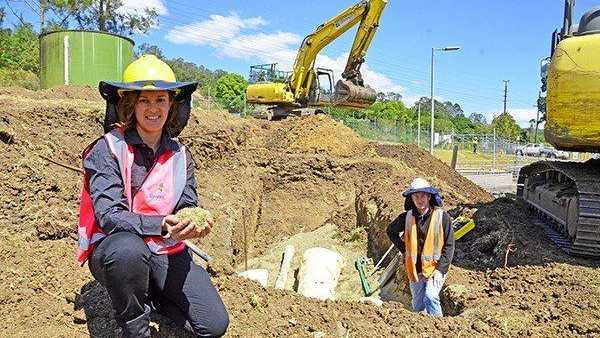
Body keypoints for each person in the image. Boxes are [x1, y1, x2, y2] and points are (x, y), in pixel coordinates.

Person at [76, 55, 229, 337]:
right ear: (130, 104)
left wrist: (190, 223)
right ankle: (135, 326)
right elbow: (109, 217)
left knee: (213, 324)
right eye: (144, 100)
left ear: (172, 104)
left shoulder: (181, 155)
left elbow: (186, 203)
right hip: (118, 249)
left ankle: (153, 296)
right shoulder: (107, 149)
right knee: (127, 252)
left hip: (164, 249)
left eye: (160, 99)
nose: (153, 108)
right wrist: (161, 224)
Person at [386, 178, 454, 317]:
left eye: (423, 195)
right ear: (411, 198)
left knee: (430, 297)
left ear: (429, 196)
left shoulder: (442, 217)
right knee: (417, 306)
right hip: (415, 270)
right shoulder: (406, 218)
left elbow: (450, 245)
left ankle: (440, 328)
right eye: (416, 196)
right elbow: (390, 231)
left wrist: (441, 269)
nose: (419, 199)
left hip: (435, 268)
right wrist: (404, 249)